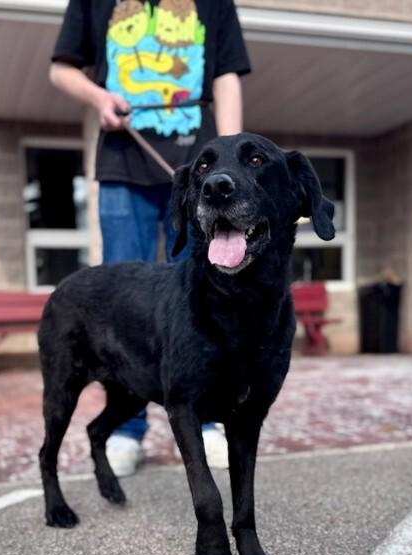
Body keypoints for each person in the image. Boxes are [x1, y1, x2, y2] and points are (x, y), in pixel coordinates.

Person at [50, 0, 251, 477]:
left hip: (198, 165)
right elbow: (61, 69)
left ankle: (205, 421)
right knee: (121, 306)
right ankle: (126, 428)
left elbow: (225, 76)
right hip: (122, 163)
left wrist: (230, 162)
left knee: (202, 297)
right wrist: (99, 97)